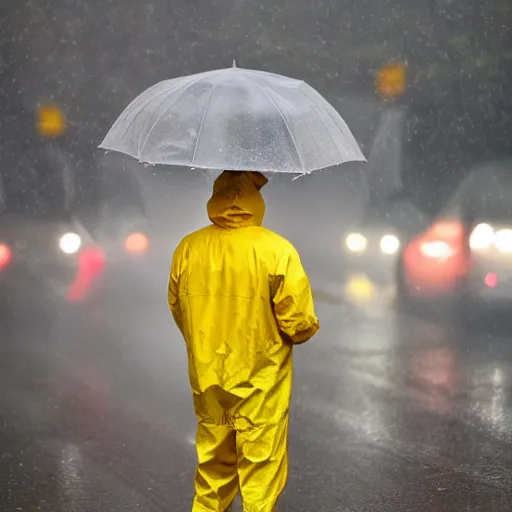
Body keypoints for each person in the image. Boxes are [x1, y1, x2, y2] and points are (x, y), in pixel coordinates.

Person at [168, 170, 319, 511]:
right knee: (261, 470)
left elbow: (178, 308)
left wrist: (204, 340)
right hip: (261, 381)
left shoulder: (188, 247)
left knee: (212, 471)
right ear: (255, 199)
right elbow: (298, 323)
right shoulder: (277, 250)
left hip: (209, 378)